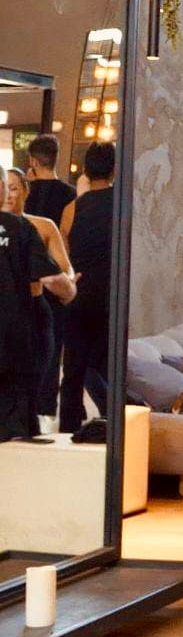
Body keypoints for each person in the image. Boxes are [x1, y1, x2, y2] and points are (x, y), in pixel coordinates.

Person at [0, 174, 74, 441]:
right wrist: (69, 290)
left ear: (25, 190)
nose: (10, 194)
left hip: (28, 313)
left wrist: (67, 285)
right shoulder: (21, 228)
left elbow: (60, 271)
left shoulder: (39, 226)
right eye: (6, 188)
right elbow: (55, 279)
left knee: (28, 383)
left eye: (14, 188)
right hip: (15, 320)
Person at [59, 141, 115, 435]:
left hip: (79, 294)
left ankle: (68, 430)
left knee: (73, 369)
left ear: (85, 170)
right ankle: (115, 423)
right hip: (112, 296)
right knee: (104, 365)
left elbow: (64, 256)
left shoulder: (72, 209)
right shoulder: (123, 204)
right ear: (114, 170)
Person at [23, 134, 76, 419]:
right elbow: (68, 240)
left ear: (33, 160)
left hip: (26, 282)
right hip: (56, 280)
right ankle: (45, 411)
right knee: (51, 349)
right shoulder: (69, 195)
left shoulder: (23, 194)